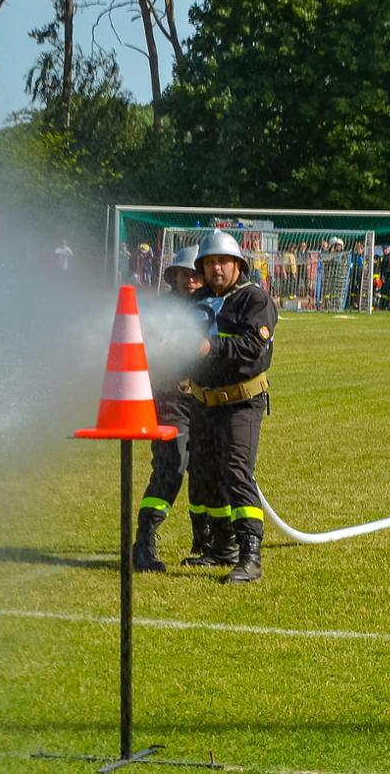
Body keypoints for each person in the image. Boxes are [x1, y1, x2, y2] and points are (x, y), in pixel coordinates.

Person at [185, 230, 277, 584]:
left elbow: (256, 348)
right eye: (209, 263)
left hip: (241, 401)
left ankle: (250, 555)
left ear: (238, 264)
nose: (216, 269)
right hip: (204, 401)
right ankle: (221, 546)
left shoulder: (254, 300)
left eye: (223, 261)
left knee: (237, 473)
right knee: (206, 473)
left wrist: (211, 349)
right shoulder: (196, 302)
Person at [133, 246, 205, 573]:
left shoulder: (214, 306)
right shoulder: (159, 312)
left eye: (196, 274)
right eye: (184, 274)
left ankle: (206, 543)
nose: (190, 280)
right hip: (171, 399)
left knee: (206, 472)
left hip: (207, 402)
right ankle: (144, 542)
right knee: (170, 468)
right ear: (173, 276)